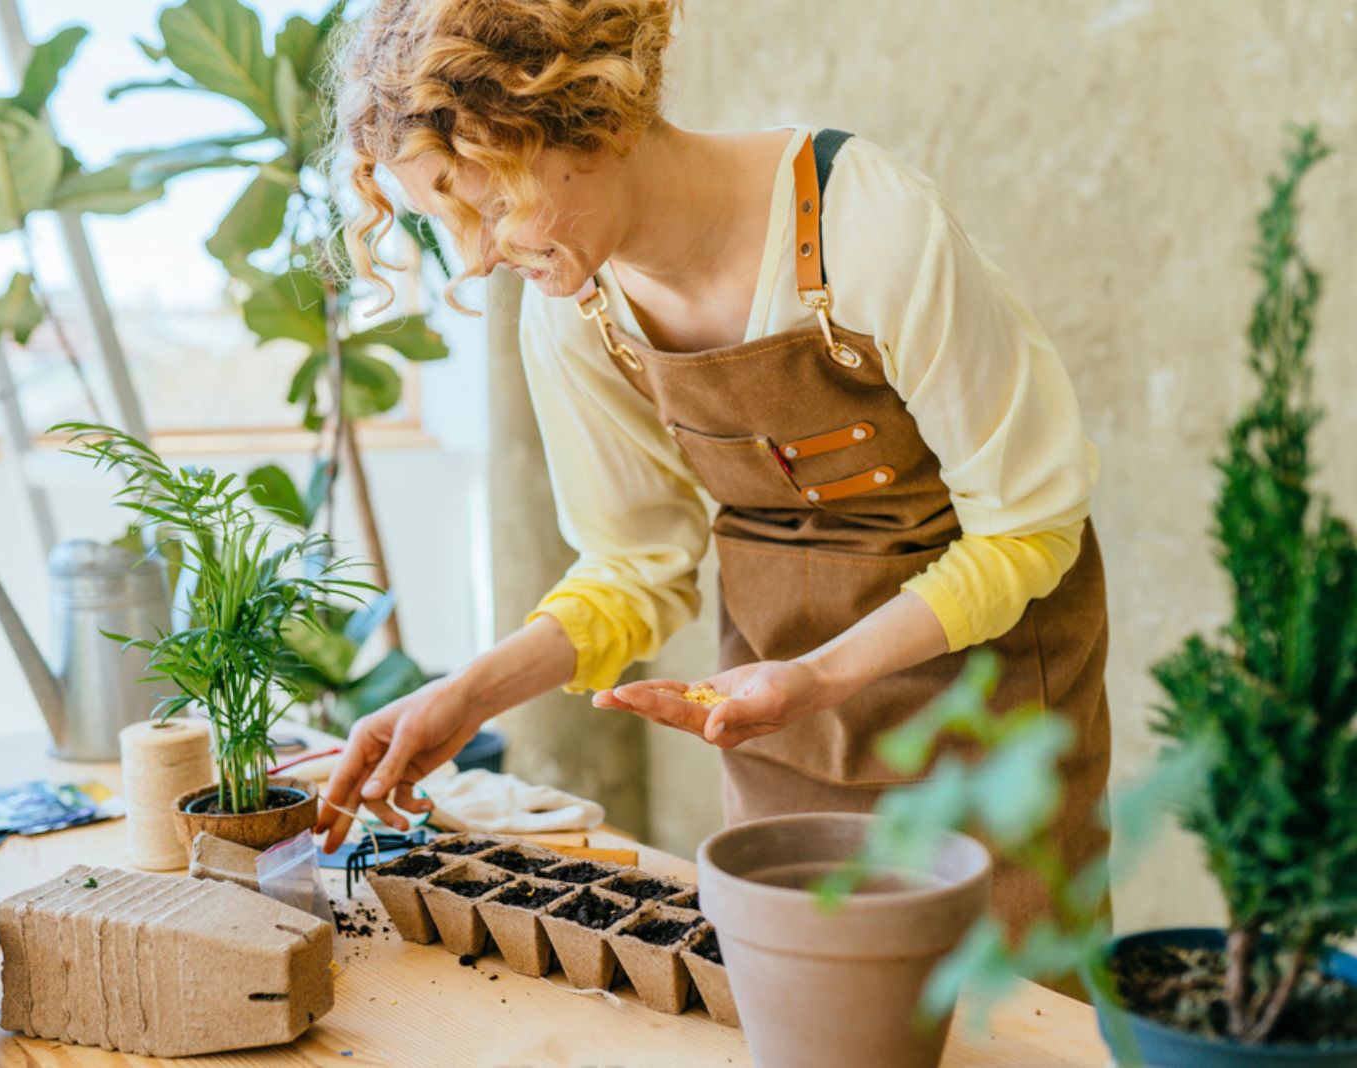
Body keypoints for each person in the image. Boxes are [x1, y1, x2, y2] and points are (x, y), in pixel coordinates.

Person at [312, 0, 1111, 960]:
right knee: (799, 1001)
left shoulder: (866, 228)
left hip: (995, 721)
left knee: (1005, 1024)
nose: (479, 256)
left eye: (486, 203)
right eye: (447, 221)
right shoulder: (576, 312)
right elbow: (635, 566)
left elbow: (1027, 530)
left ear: (586, 120)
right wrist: (467, 696)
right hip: (782, 727)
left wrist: (820, 676)